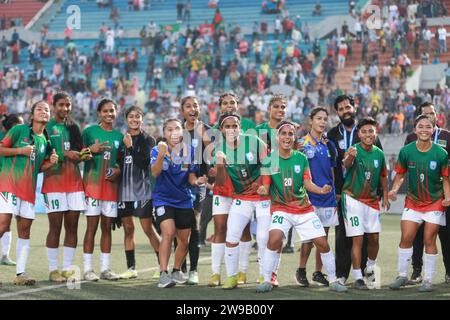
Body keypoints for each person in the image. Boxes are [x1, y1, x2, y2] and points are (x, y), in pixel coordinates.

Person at [255, 120, 347, 293]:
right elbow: (266, 188)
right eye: (284, 133)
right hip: (281, 208)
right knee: (274, 239)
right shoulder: (269, 161)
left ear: (295, 138)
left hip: (304, 209)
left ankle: (334, 280)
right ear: (277, 137)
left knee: (322, 243)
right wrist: (261, 189)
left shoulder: (301, 158)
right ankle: (267, 279)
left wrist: (320, 190)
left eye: (291, 134)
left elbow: (307, 183)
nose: (287, 137)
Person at [389, 115, 450, 292]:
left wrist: (447, 197)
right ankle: (402, 275)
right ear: (415, 129)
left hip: (434, 202)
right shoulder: (406, 151)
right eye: (420, 126)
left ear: (433, 130)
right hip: (413, 202)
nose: (424, 130)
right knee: (406, 238)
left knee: (429, 239)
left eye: (428, 127)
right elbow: (400, 175)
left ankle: (428, 280)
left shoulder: (441, 153)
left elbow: (446, 178)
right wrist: (393, 190)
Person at [0, 101, 59, 286]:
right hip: (9, 185)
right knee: (2, 225)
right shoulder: (18, 130)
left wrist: (52, 163)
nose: (44, 112)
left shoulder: (45, 141)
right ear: (32, 115)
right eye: (39, 109)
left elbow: (37, 168)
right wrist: (21, 150)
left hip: (28, 191)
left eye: (47, 110)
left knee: (25, 231)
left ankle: (20, 274)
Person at [327, 94, 383, 285]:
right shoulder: (332, 135)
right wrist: (334, 191)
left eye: (347, 107)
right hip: (344, 193)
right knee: (343, 236)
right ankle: (342, 274)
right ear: (337, 113)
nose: (345, 111)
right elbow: (332, 165)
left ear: (354, 107)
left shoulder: (367, 131)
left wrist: (381, 194)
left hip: (368, 195)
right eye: (341, 109)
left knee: (368, 236)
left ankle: (367, 274)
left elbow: (380, 166)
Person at [214, 112, 270, 290]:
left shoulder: (255, 142)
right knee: (231, 235)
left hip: (262, 196)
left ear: (240, 127)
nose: (231, 129)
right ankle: (231, 277)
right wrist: (220, 164)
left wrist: (260, 183)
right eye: (227, 126)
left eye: (234, 126)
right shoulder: (219, 148)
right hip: (242, 197)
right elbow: (221, 181)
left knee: (262, 237)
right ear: (221, 129)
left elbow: (268, 166)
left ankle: (264, 275)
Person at [151, 118, 206, 288]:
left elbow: (190, 176)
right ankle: (163, 274)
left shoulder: (190, 152)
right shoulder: (156, 150)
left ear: (182, 132)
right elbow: (155, 172)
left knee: (184, 240)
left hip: (184, 200)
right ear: (164, 133)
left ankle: (176, 270)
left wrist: (196, 181)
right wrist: (161, 155)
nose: (173, 132)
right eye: (169, 129)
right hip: (163, 199)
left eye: (176, 128)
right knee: (168, 232)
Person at [208, 94, 253, 287]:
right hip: (222, 190)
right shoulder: (214, 139)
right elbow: (215, 174)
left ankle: (242, 272)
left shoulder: (250, 133)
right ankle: (215, 273)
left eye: (232, 102)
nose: (229, 106)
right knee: (219, 228)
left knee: (243, 230)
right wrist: (217, 166)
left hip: (242, 192)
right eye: (225, 103)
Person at [404, 102, 450, 284]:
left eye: (431, 114)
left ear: (436, 116)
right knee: (416, 236)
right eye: (425, 114)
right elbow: (406, 164)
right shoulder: (410, 138)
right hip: (418, 196)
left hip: (441, 196)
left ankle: (448, 271)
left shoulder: (446, 135)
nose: (429, 117)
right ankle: (416, 271)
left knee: (445, 236)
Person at [42, 92, 86, 283]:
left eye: (68, 105)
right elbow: (42, 155)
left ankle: (68, 269)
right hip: (54, 183)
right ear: (54, 106)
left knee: (73, 227)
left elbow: (81, 153)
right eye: (61, 105)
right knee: (55, 227)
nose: (65, 109)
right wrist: (65, 154)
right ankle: (53, 270)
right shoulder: (46, 127)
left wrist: (86, 154)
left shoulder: (74, 127)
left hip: (75, 183)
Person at [341, 117, 389, 289]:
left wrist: (385, 193)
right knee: (358, 239)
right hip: (352, 199)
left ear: (376, 133)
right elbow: (346, 166)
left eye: (371, 131)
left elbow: (383, 175)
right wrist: (350, 158)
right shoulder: (353, 150)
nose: (368, 134)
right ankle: (358, 277)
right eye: (364, 131)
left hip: (372, 201)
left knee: (374, 238)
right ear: (359, 134)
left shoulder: (379, 153)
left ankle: (370, 270)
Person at [82, 98, 124, 282]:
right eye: (105, 111)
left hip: (111, 189)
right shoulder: (89, 132)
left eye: (112, 111)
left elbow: (122, 162)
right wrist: (90, 149)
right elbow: (78, 155)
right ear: (99, 113)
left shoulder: (120, 137)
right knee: (91, 227)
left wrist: (119, 170)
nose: (109, 114)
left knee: (107, 227)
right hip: (92, 187)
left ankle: (105, 269)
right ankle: (87, 269)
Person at [116, 106, 161, 280]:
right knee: (128, 229)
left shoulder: (148, 140)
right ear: (126, 119)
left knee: (147, 228)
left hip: (142, 191)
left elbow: (144, 163)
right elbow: (119, 164)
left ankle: (161, 265)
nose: (134, 119)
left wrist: (131, 147)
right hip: (124, 192)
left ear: (142, 119)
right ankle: (131, 268)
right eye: (131, 117)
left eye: (138, 117)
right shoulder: (121, 140)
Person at [297, 107, 338, 287]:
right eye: (319, 118)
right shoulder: (301, 144)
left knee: (323, 237)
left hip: (327, 198)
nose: (322, 122)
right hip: (310, 197)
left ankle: (318, 272)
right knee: (309, 238)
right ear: (310, 121)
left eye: (324, 119)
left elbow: (331, 171)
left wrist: (334, 192)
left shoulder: (329, 144)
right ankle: (301, 269)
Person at [179, 96, 210, 285]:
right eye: (188, 106)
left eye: (195, 106)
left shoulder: (204, 129)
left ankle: (194, 270)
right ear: (182, 110)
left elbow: (212, 154)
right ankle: (179, 268)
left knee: (193, 221)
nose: (192, 109)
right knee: (178, 225)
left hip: (197, 183)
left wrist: (208, 176)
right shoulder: (177, 130)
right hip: (178, 184)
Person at [0, 114, 24, 266]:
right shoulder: (5, 140)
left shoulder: (20, 141)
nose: (24, 127)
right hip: (3, 184)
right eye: (21, 124)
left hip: (12, 185)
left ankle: (4, 255)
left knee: (6, 222)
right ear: (14, 126)